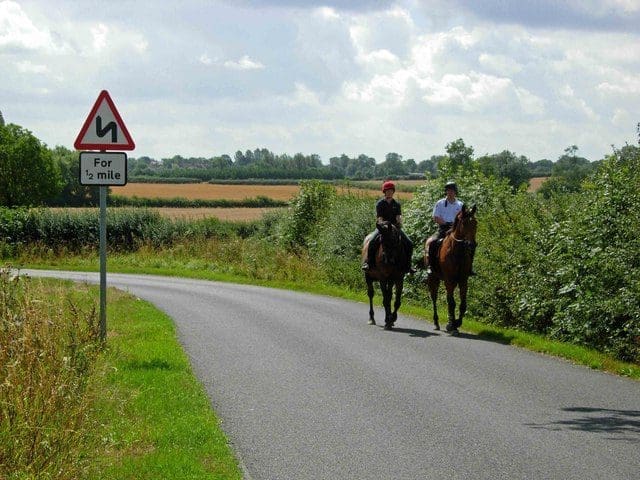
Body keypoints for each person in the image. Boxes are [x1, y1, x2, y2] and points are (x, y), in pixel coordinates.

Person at [362, 181, 415, 274]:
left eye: (391, 190)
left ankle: (408, 265)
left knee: (409, 243)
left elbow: (398, 216)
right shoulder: (380, 204)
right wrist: (384, 225)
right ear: (384, 192)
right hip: (383, 228)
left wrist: (399, 221)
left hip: (395, 228)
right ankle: (368, 263)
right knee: (372, 241)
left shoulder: (397, 204)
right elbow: (379, 218)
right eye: (387, 191)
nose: (389, 192)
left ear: (393, 191)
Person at [424, 181, 466, 275]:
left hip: (456, 230)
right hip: (443, 229)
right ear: (446, 191)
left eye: (452, 190)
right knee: (432, 243)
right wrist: (446, 223)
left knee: (468, 245)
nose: (450, 192)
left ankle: (468, 267)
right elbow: (435, 217)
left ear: (455, 192)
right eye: (448, 190)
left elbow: (463, 219)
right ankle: (430, 265)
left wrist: (455, 226)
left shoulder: (460, 205)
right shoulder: (440, 203)